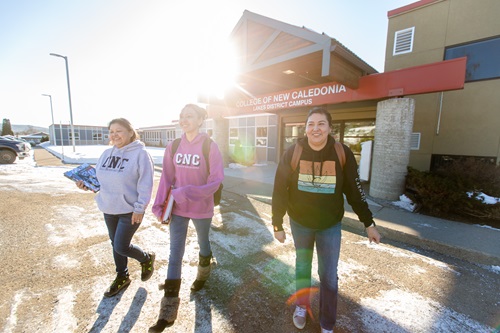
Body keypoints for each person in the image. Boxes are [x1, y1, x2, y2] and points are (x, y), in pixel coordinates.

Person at [271, 107, 381, 333]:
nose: (316, 128)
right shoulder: (293, 152)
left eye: (321, 124)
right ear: (305, 128)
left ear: (330, 128)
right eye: (311, 124)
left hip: (329, 226)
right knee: (302, 268)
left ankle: (327, 322)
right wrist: (277, 223)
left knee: (328, 276)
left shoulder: (342, 153)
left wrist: (368, 223)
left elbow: (355, 192)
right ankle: (301, 306)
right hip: (300, 223)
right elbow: (279, 189)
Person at [149, 104, 224, 332]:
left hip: (201, 207)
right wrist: (160, 204)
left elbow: (215, 181)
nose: (184, 120)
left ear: (201, 120)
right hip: (178, 208)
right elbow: (166, 179)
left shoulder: (209, 145)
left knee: (204, 244)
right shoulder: (173, 146)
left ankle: (203, 272)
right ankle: (167, 312)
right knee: (175, 254)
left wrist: (187, 192)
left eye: (189, 116)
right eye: (182, 116)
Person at [76, 118, 155, 298]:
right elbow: (100, 181)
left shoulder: (140, 154)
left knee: (121, 246)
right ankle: (122, 276)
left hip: (129, 209)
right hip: (109, 207)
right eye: (111, 131)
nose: (114, 135)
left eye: (119, 130)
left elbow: (146, 184)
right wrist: (86, 185)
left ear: (130, 132)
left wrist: (140, 208)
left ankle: (146, 258)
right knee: (115, 244)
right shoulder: (106, 153)